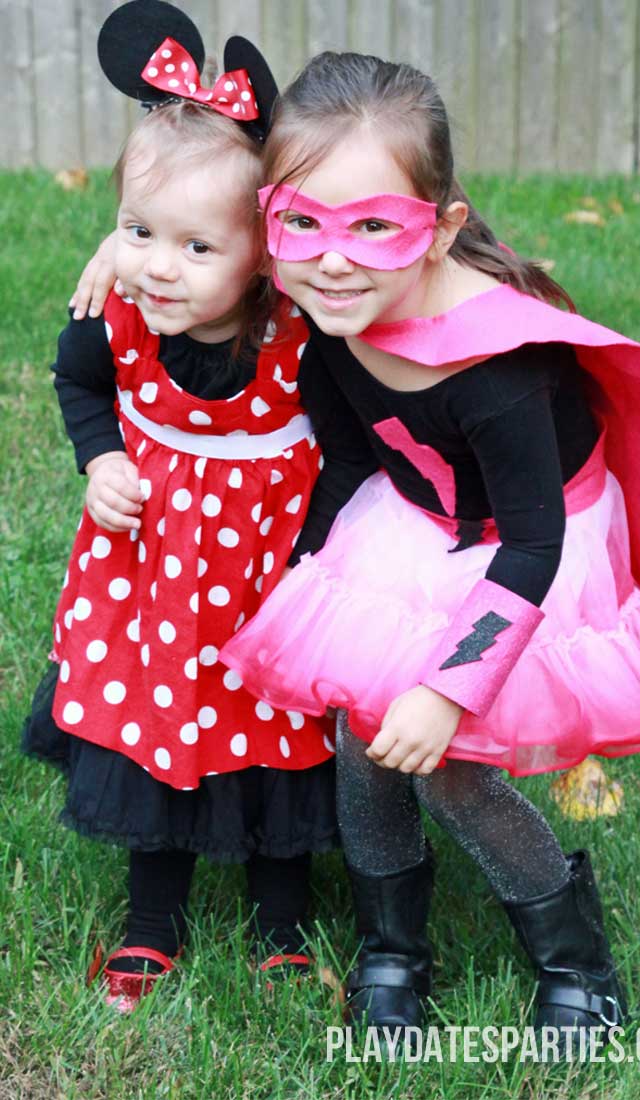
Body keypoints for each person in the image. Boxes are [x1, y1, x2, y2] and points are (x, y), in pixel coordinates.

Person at [219, 51, 640, 1043]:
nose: (333, 258)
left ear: (438, 229)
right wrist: (307, 581)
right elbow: (350, 468)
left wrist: (448, 684)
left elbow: (532, 542)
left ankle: (578, 960)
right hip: (411, 526)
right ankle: (393, 948)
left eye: (374, 227)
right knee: (365, 732)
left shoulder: (497, 372)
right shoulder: (328, 325)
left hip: (532, 551)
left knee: (446, 761)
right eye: (301, 223)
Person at [22, 1, 336, 1014]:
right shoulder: (118, 314)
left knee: (275, 732)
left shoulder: (301, 326)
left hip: (264, 579)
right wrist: (99, 456)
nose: (159, 264)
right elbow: (80, 383)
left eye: (197, 247)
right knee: (155, 730)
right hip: (152, 581)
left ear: (265, 252)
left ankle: (280, 916)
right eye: (138, 233)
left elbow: (345, 433)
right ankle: (152, 915)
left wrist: (322, 548)